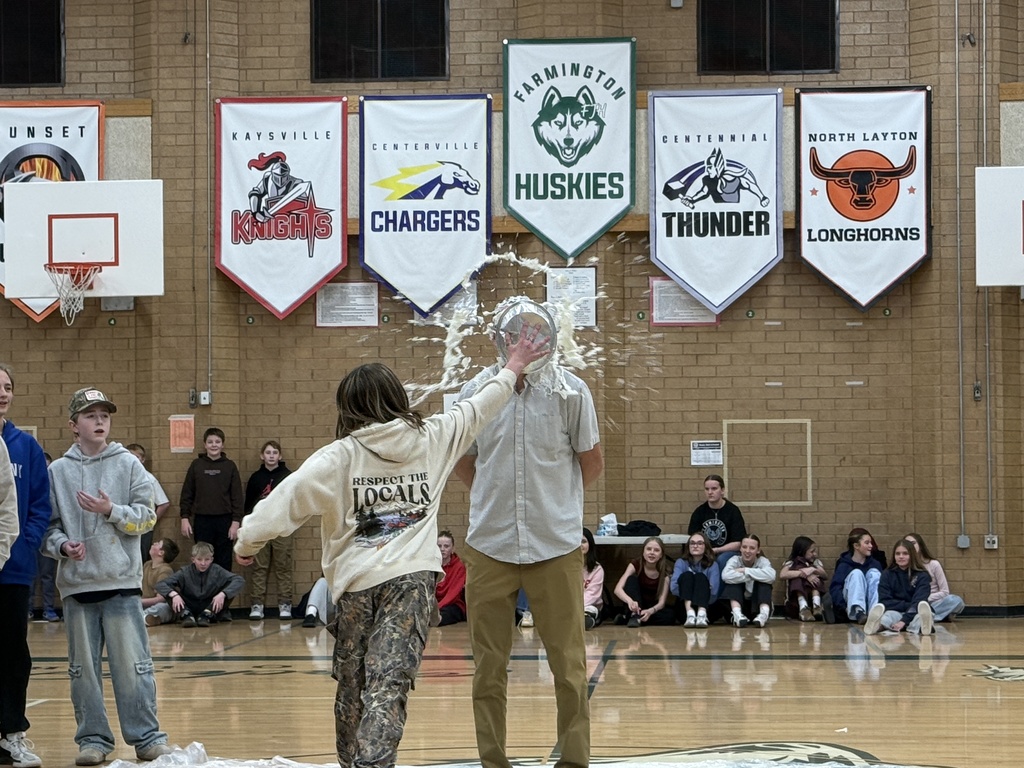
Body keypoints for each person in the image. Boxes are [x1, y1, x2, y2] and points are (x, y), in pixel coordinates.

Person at [233, 327, 550, 768]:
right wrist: (514, 365)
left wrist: (246, 543)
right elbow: (481, 407)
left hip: (356, 587)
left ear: (347, 409)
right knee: (388, 686)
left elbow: (281, 504)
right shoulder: (434, 437)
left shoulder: (337, 457)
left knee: (352, 688)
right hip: (411, 585)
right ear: (397, 398)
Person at [454, 298, 603, 768]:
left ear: (550, 338)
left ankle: (574, 761)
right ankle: (493, 762)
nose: (526, 340)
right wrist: (489, 497)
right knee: (488, 670)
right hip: (489, 545)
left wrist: (555, 504)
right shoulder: (475, 392)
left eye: (535, 332)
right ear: (500, 338)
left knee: (569, 667)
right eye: (516, 332)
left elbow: (591, 463)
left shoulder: (572, 392)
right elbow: (461, 457)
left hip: (555, 546)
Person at [41, 387, 173, 766]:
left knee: (133, 668)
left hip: (121, 585)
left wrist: (111, 509)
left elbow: (147, 517)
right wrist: (63, 546)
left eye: (104, 415)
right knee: (82, 672)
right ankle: (93, 739)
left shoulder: (129, 465)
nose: (99, 421)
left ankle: (147, 738)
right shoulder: (58, 472)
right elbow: (47, 528)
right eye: (90, 415)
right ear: (73, 425)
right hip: (78, 586)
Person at [0, 363, 51, 768]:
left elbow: (38, 505)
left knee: (13, 653)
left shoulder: (26, 447)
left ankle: (12, 734)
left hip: (13, 569)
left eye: (8, 387)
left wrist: (27, 543)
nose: (3, 393)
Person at [179, 427, 243, 575]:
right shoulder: (197, 465)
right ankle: (202, 596)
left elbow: (237, 497)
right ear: (205, 444)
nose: (214, 445)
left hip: (225, 521)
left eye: (217, 442)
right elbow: (187, 494)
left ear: (222, 444)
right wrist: (184, 518)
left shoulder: (230, 466)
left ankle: (222, 596)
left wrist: (236, 522)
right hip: (202, 520)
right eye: (210, 442)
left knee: (224, 560)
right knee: (202, 558)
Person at [243, 440, 293, 620]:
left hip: (282, 528)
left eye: (274, 453)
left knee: (283, 566)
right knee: (260, 566)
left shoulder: (288, 476)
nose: (271, 456)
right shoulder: (256, 478)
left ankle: (285, 604)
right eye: (268, 452)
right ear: (262, 456)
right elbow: (248, 506)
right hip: (261, 529)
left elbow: (293, 503)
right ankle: (257, 605)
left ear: (280, 456)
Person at [154, 541, 245, 627]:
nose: (203, 563)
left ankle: (207, 615)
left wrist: (223, 594)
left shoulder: (217, 570)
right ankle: (186, 615)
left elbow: (239, 580)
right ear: (193, 559)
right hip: (189, 605)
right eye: (199, 559)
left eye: (207, 559)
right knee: (170, 590)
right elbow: (160, 584)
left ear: (212, 559)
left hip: (210, 605)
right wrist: (174, 595)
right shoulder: (185, 571)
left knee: (230, 588)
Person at [863, 539, 934, 636]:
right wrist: (907, 605)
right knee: (887, 617)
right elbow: (885, 601)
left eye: (905, 553)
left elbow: (919, 601)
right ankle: (876, 626)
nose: (901, 556)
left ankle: (923, 627)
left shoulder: (922, 575)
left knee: (920, 617)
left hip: (915, 611)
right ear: (894, 556)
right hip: (896, 610)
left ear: (912, 555)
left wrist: (904, 621)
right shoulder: (887, 574)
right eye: (898, 554)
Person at [687, 474, 747, 570]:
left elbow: (738, 543)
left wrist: (717, 550)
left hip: (727, 552)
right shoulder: (699, 512)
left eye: (714, 489)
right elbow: (692, 538)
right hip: (704, 552)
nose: (710, 492)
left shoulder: (732, 511)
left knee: (721, 560)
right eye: (707, 489)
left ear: (722, 490)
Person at [903, 532, 965, 622]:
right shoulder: (903, 565)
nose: (911, 547)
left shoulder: (933, 564)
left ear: (920, 545)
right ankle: (927, 617)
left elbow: (945, 592)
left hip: (933, 602)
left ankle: (923, 618)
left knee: (956, 601)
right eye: (907, 544)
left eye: (913, 543)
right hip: (913, 602)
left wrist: (924, 598)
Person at [614, 536, 674, 627]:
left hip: (651, 606)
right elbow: (617, 589)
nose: (652, 553)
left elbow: (661, 603)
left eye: (656, 550)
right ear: (643, 552)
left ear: (661, 555)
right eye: (649, 549)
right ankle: (634, 615)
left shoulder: (665, 571)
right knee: (631, 579)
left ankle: (630, 618)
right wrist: (630, 601)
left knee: (671, 616)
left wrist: (650, 611)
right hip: (635, 604)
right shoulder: (635, 564)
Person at [126, 444, 171, 563]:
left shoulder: (149, 479)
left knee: (140, 560)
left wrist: (151, 522)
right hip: (125, 526)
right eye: (129, 456)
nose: (133, 460)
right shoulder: (121, 478)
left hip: (142, 528)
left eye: (136, 457)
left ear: (143, 460)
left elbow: (163, 503)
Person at [829, 528, 883, 624]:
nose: (871, 546)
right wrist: (843, 607)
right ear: (856, 546)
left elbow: (883, 586)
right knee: (856, 573)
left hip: (869, 602)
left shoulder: (875, 564)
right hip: (849, 604)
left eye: (871, 543)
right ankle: (858, 612)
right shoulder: (844, 565)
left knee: (874, 573)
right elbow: (835, 588)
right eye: (867, 543)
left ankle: (875, 612)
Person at [721, 535, 776, 628]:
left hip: (756, 606)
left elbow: (771, 576)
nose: (747, 551)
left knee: (764, 583)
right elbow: (725, 576)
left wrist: (745, 570)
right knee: (732, 583)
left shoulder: (763, 561)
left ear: (758, 550)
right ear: (740, 549)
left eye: (752, 548)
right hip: (739, 606)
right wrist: (755, 575)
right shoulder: (734, 560)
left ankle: (763, 615)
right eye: (744, 547)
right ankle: (737, 615)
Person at [670, 531, 721, 627]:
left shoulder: (712, 565)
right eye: (692, 543)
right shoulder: (681, 562)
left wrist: (690, 590)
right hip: (684, 610)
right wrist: (700, 590)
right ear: (688, 546)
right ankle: (690, 614)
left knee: (700, 577)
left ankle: (702, 615)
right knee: (687, 576)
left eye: (699, 543)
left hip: (707, 607)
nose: (695, 546)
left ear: (706, 546)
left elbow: (714, 592)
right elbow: (673, 588)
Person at [32, 451, 59, 622]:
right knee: (30, 574)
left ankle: (49, 609)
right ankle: (27, 609)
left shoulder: (54, 487)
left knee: (48, 575)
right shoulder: (31, 484)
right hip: (31, 534)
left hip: (48, 533)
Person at [779, 536, 828, 622]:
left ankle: (816, 606)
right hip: (795, 603)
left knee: (816, 578)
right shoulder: (791, 563)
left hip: (811, 597)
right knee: (796, 578)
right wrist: (803, 574)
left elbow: (825, 575)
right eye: (812, 552)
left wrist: (813, 569)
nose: (815, 554)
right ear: (802, 551)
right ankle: (803, 608)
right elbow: (782, 575)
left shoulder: (815, 562)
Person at [140, 539, 181, 626]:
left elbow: (160, 599)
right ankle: (143, 617)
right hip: (143, 603)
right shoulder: (147, 565)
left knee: (163, 608)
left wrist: (140, 602)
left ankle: (143, 617)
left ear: (161, 553)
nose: (154, 543)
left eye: (158, 543)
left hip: (156, 604)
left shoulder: (165, 570)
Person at [435, 530, 467, 626]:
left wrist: (436, 609)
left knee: (446, 614)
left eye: (446, 546)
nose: (442, 549)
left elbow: (453, 594)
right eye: (439, 546)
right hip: (435, 604)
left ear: (452, 548)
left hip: (453, 604)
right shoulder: (431, 565)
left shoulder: (459, 566)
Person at [581, 527, 604, 630]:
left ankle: (586, 620)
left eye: (583, 541)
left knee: (590, 610)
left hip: (588, 605)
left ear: (590, 544)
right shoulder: (565, 567)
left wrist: (575, 607)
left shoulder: (597, 569)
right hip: (567, 605)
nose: (580, 545)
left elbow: (592, 594)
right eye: (576, 542)